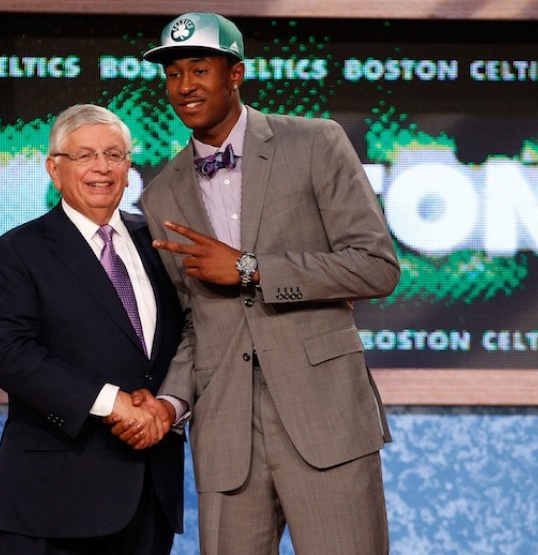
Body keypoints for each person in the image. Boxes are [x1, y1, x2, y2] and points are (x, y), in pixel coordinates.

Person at [131, 12, 401, 554]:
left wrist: (252, 269)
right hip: (228, 439)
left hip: (324, 419)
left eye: (199, 69)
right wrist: (170, 403)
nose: (184, 86)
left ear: (236, 74)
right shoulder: (161, 196)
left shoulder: (315, 143)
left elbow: (376, 265)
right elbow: (192, 325)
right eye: (173, 73)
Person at [0, 103, 184, 555]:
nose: (102, 168)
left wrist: (168, 407)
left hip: (150, 494)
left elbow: (191, 339)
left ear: (129, 167)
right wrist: (114, 404)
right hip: (53, 502)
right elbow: (14, 357)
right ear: (54, 169)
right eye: (85, 155)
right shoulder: (18, 252)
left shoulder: (159, 246)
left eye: (114, 155)